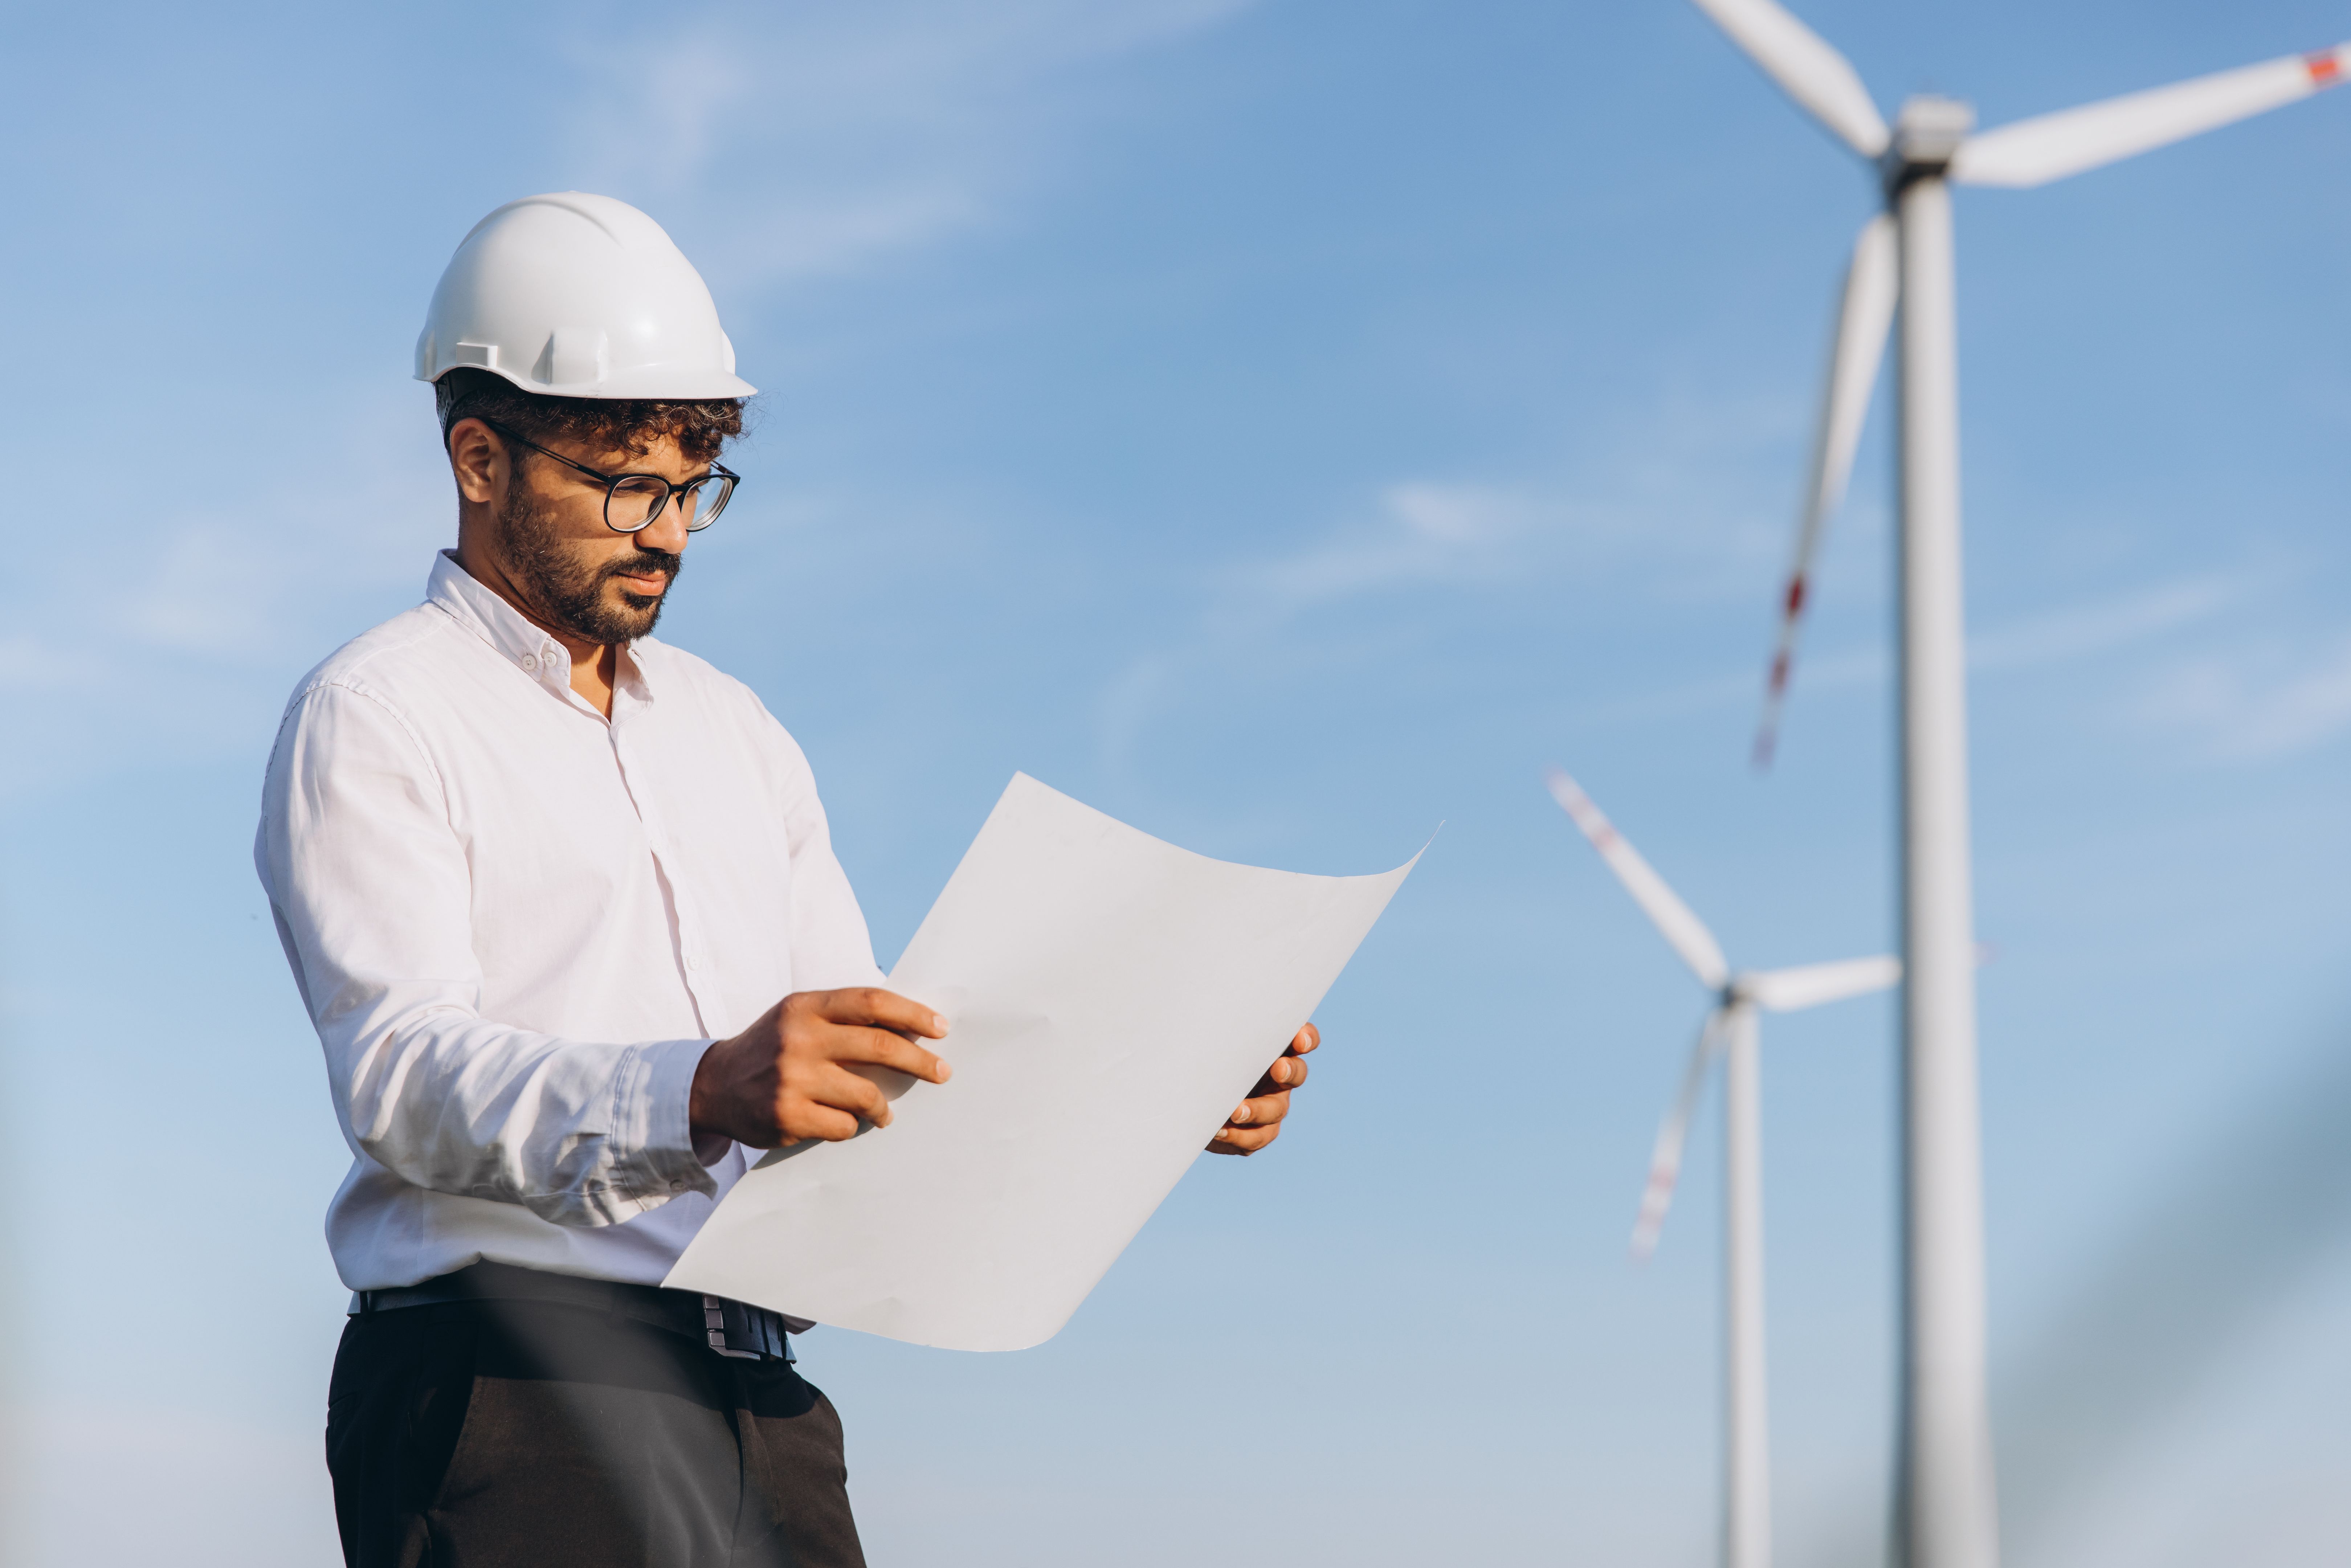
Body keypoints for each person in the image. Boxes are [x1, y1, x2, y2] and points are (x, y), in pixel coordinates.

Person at [256, 192, 1322, 1568]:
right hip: (513, 1398)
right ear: (479, 455)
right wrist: (701, 1087)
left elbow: (876, 1080)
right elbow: (402, 1078)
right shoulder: (379, 709)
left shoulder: (736, 731)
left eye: (696, 486)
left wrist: (1162, 1083)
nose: (672, 533)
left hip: (762, 1402)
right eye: (628, 485)